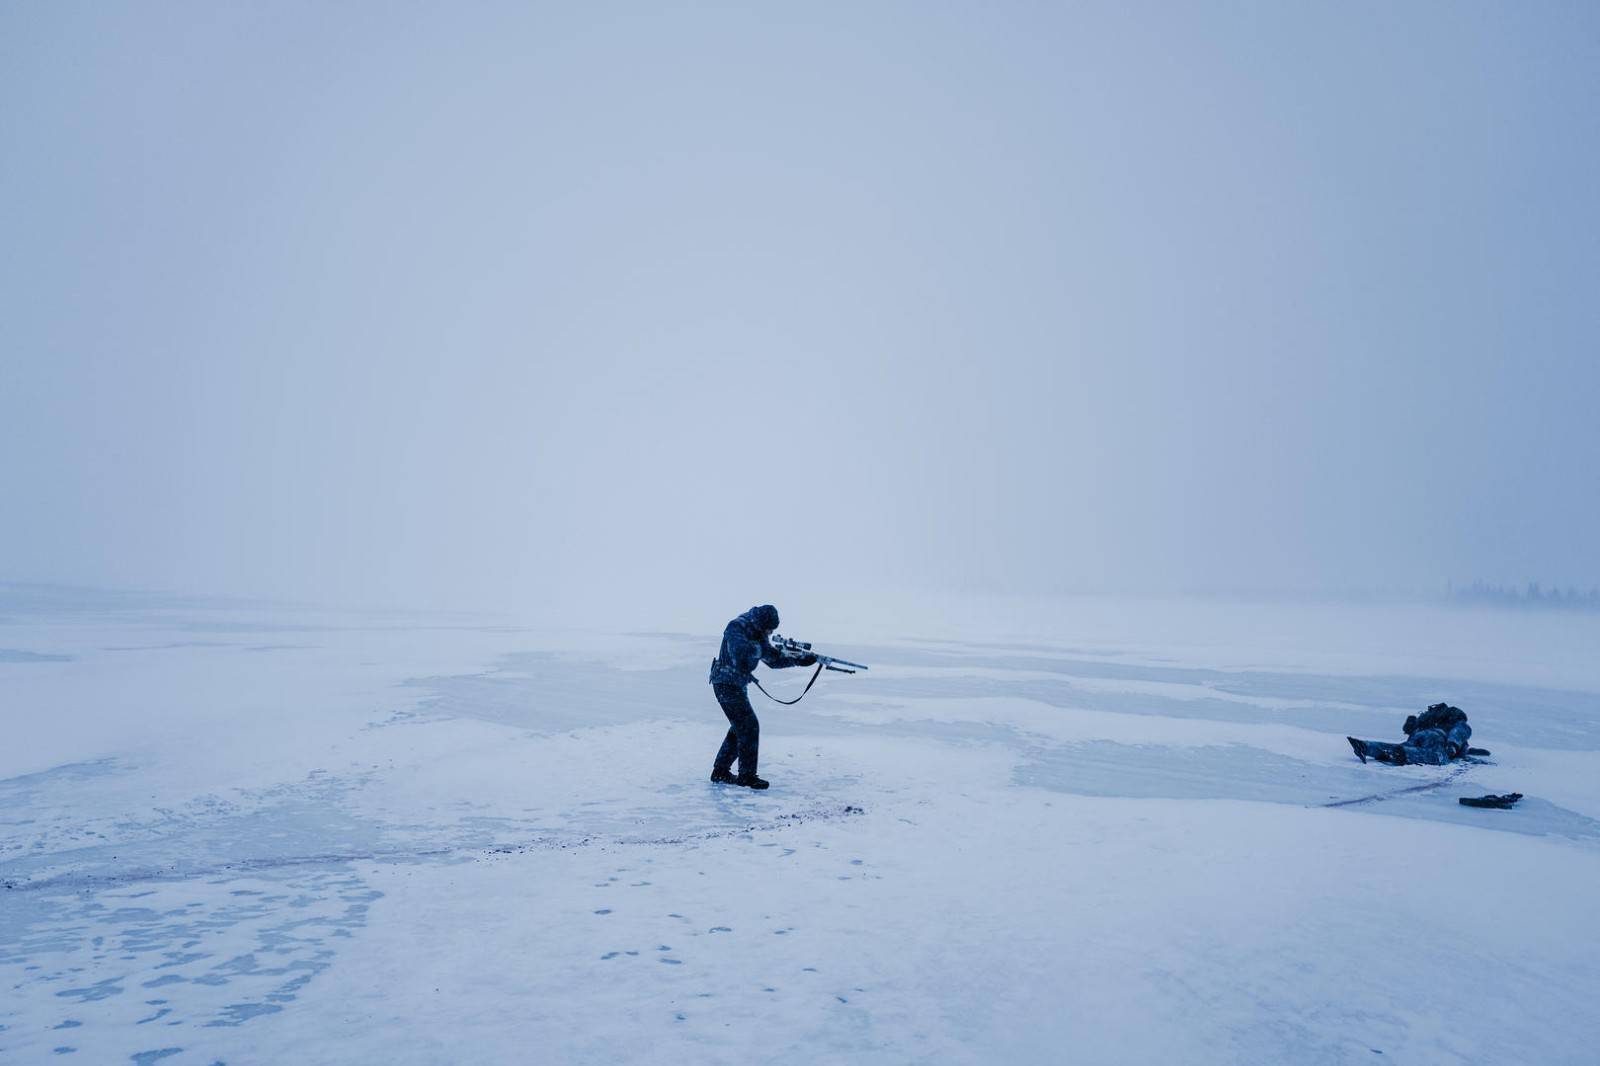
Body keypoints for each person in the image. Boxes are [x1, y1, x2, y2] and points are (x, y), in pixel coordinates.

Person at [708, 604, 815, 790]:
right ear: (760, 623)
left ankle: (720, 772)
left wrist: (797, 660)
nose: (770, 632)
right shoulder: (735, 627)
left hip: (736, 684)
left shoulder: (758, 632)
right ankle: (747, 776)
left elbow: (772, 660)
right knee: (748, 726)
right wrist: (765, 649)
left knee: (740, 727)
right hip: (724, 683)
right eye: (769, 629)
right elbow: (741, 652)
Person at [1347, 702, 1474, 766]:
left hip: (1418, 735)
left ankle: (1366, 746)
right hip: (1436, 737)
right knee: (1439, 757)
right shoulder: (1457, 722)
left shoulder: (1428, 719)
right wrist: (1452, 746)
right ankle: (1405, 754)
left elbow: (1409, 730)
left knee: (1397, 747)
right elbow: (1459, 731)